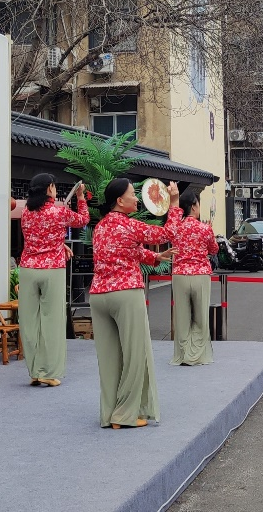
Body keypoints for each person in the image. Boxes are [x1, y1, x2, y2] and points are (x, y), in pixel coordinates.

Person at [90, 178, 180, 429]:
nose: (137, 198)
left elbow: (126, 251)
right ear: (120, 201)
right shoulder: (130, 225)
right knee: (134, 355)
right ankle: (125, 414)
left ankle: (110, 414)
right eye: (132, 194)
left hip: (98, 295)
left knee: (108, 359)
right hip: (125, 293)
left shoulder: (100, 227)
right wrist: (174, 202)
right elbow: (169, 233)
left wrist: (154, 256)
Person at [18, 174, 89, 387]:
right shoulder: (59, 212)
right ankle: (49, 372)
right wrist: (81, 197)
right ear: (50, 188)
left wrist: (60, 243)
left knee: (29, 321)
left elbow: (39, 236)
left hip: (28, 268)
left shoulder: (26, 212)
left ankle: (34, 371)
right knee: (52, 319)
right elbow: (83, 220)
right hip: (52, 269)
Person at [168, 187, 217, 366]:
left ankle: (182, 354)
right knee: (201, 317)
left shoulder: (175, 228)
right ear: (194, 206)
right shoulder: (204, 228)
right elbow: (214, 249)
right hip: (200, 275)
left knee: (181, 317)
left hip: (180, 275)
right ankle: (196, 355)